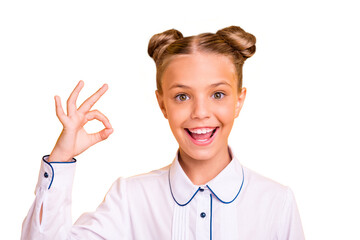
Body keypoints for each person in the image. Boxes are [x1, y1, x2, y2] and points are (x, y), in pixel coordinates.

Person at [21, 26, 305, 239]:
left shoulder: (276, 202)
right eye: (183, 97)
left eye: (218, 94)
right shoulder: (131, 197)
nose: (200, 112)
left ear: (239, 100)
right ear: (162, 104)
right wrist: (61, 157)